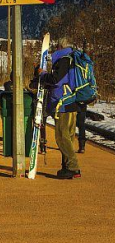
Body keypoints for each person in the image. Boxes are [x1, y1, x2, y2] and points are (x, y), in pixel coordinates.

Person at [42, 39, 80, 179]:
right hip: (71, 102)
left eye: (57, 45)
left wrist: (42, 74)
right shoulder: (72, 59)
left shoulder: (64, 60)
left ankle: (73, 167)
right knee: (68, 137)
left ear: (61, 46)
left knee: (62, 137)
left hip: (63, 104)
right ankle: (66, 168)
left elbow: (55, 79)